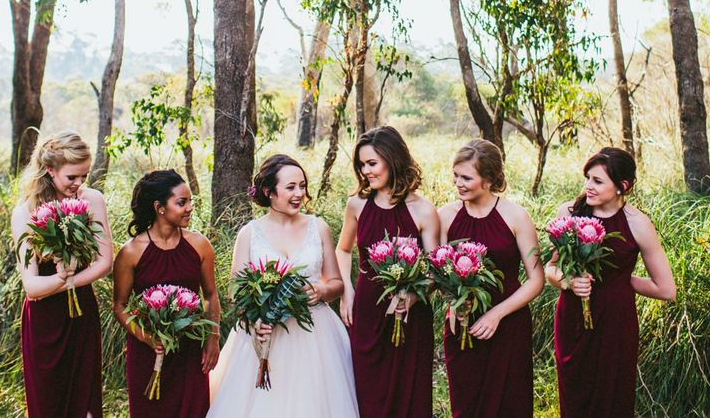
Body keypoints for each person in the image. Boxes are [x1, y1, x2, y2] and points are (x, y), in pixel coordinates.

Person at [208, 154, 358, 417]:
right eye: (290, 187)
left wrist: (322, 291)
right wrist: (255, 318)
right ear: (269, 191)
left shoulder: (318, 227)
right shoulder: (250, 233)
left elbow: (335, 283)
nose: (299, 193)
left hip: (315, 335)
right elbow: (236, 291)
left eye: (302, 186)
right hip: (265, 334)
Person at [546, 147, 676, 417]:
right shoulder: (569, 212)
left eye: (597, 181)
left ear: (622, 186)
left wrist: (619, 280)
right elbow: (551, 269)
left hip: (615, 323)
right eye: (587, 178)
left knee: (612, 395)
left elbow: (666, 289)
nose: (588, 186)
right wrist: (566, 281)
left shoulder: (638, 224)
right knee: (574, 392)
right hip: (573, 318)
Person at [337, 126, 439, 418]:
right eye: (362, 164)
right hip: (367, 309)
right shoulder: (356, 204)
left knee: (409, 394)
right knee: (367, 390)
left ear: (392, 159)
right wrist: (347, 291)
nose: (366, 171)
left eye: (372, 163)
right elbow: (343, 250)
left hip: (410, 314)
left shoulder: (423, 210)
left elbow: (434, 268)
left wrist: (412, 297)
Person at [438, 139, 543, 417]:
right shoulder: (445, 217)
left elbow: (536, 279)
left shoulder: (516, 217)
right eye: (456, 176)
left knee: (510, 403)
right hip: (462, 324)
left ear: (489, 179)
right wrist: (453, 301)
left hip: (508, 325)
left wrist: (496, 314)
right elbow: (435, 272)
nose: (458, 183)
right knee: (467, 402)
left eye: (467, 178)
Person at [11, 130, 112, 418]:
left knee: (85, 402)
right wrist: (60, 279)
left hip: (82, 313)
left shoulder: (92, 200)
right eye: (72, 177)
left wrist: (68, 281)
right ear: (49, 170)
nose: (79, 184)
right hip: (44, 320)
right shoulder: (25, 213)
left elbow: (105, 263)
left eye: (85, 176)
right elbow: (31, 286)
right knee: (47, 402)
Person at [113, 169, 220, 418]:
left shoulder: (200, 245)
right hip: (147, 351)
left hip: (190, 351)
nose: (189, 208)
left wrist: (212, 338)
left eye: (190, 201)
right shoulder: (131, 252)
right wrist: (147, 338)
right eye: (181, 202)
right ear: (159, 207)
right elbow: (119, 305)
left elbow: (211, 295)